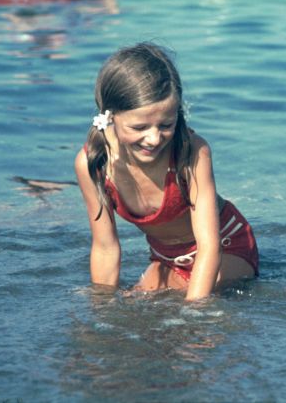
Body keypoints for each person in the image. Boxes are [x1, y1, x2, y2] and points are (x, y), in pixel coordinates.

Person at [75, 42, 258, 301]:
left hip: (227, 247)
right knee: (134, 303)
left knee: (178, 312)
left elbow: (210, 246)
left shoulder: (192, 152)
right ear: (110, 116)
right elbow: (106, 248)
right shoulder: (94, 164)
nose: (153, 138)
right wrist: (101, 311)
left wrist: (194, 316)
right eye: (139, 127)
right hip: (167, 258)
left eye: (166, 125)